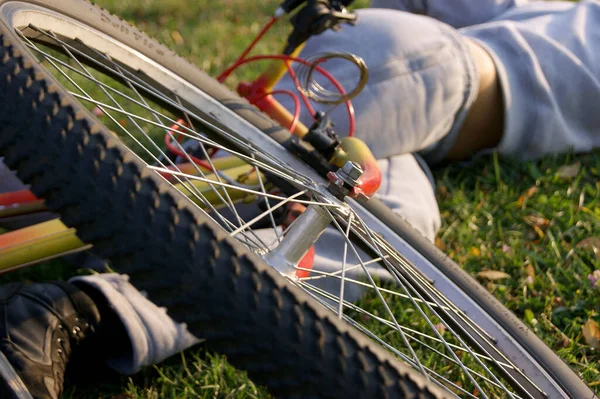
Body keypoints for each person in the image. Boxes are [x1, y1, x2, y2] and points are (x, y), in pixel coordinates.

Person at [2, 1, 600, 397]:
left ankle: (83, 306)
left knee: (381, 203)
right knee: (373, 210)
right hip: (432, 74)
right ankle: (73, 308)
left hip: (415, 85)